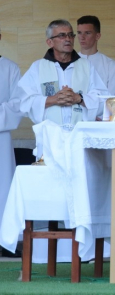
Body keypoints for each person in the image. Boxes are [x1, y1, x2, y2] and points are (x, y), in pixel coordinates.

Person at [16, 19, 109, 262]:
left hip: (81, 145)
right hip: (51, 146)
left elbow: (104, 98)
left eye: (70, 35)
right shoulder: (38, 68)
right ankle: (48, 252)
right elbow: (23, 101)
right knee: (53, 199)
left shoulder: (86, 67)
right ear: (50, 41)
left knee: (83, 193)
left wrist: (79, 98)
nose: (68, 39)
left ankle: (85, 248)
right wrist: (53, 100)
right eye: (62, 36)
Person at [0, 26, 24, 258]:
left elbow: (18, 104)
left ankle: (5, 241)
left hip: (1, 138)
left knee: (3, 188)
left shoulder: (10, 68)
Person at [77, 15, 115, 96]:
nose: (82, 37)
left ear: (97, 36)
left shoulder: (110, 65)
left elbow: (112, 99)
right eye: (79, 33)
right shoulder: (69, 62)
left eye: (87, 33)